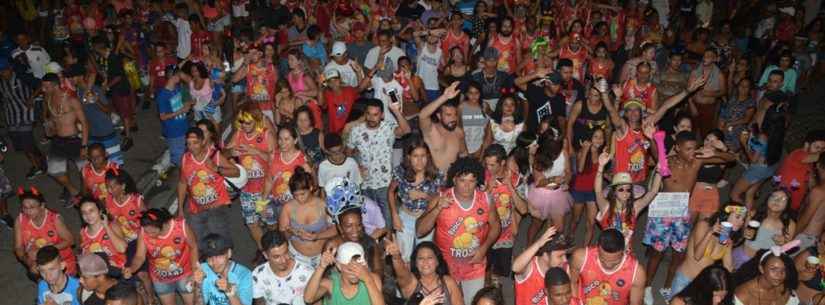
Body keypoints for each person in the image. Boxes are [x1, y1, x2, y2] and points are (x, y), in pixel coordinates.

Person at [643, 131, 735, 302]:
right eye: (688, 149)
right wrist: (654, 138)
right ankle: (647, 287)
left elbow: (730, 158)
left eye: (694, 148)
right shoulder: (667, 161)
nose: (692, 152)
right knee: (657, 253)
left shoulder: (697, 160)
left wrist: (716, 151)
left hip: (683, 212)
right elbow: (657, 153)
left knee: (678, 253)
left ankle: (668, 287)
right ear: (677, 148)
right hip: (664, 211)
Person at [416, 156, 501, 304]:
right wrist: (437, 209)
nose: (467, 186)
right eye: (462, 180)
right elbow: (420, 230)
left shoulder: (486, 199)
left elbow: (496, 226)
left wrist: (484, 248)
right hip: (446, 268)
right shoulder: (440, 198)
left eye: (472, 181)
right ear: (454, 179)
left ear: (478, 181)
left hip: (475, 266)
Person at [345, 98, 411, 223]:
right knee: (369, 222)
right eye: (368, 114)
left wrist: (396, 111)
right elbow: (348, 153)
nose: (371, 118)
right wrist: (356, 166)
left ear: (382, 115)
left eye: (375, 114)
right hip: (364, 184)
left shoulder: (388, 128)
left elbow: (406, 130)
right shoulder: (356, 131)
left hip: (385, 184)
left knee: (387, 221)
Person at [176, 127, 239, 247]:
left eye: (195, 143)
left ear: (203, 142)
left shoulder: (214, 156)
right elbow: (182, 183)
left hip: (216, 207)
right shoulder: (185, 159)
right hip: (196, 208)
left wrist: (216, 169)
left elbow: (236, 172)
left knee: (219, 239)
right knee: (197, 240)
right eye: (189, 143)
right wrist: (180, 209)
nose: (192, 147)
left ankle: (225, 256)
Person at [124, 208, 200, 305]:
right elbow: (140, 256)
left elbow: (193, 247)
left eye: (153, 232)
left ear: (163, 224)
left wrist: (194, 271)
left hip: (184, 274)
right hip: (160, 278)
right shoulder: (144, 231)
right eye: (147, 232)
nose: (149, 235)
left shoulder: (180, 227)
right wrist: (131, 268)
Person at [227, 103, 276, 250]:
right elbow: (221, 155)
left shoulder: (266, 135)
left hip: (265, 192)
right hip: (247, 192)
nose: (245, 125)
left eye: (248, 122)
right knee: (252, 224)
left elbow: (275, 161)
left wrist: (255, 151)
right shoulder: (238, 135)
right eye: (241, 122)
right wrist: (230, 153)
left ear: (256, 120)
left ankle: (275, 248)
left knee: (271, 224)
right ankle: (265, 252)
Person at [668, 205, 747, 297]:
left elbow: (728, 268)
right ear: (726, 215)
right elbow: (697, 256)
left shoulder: (727, 238)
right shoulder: (704, 225)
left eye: (743, 219)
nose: (741, 222)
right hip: (684, 279)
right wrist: (710, 233)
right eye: (738, 217)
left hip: (702, 285)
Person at [388, 136, 443, 261]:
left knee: (424, 257)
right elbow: (390, 192)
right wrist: (394, 215)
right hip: (405, 217)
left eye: (423, 156)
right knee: (403, 257)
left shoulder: (436, 175)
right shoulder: (401, 172)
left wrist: (423, 195)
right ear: (408, 157)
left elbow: (439, 200)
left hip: (425, 219)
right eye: (415, 156)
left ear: (428, 156)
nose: (419, 161)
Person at [594, 152, 663, 247]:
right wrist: (600, 167)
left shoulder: (635, 208)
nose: (625, 193)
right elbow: (598, 191)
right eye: (621, 189)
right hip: (606, 253)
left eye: (628, 189)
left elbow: (653, 192)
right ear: (614, 192)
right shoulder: (606, 207)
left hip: (625, 254)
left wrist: (659, 172)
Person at [483, 143, 528, 284]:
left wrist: (509, 186)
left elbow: (523, 209)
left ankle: (495, 283)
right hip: (486, 234)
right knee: (485, 266)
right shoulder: (481, 178)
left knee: (501, 269)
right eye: (487, 164)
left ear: (502, 163)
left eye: (492, 165)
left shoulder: (516, 179)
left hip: (506, 237)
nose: (488, 169)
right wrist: (487, 190)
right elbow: (475, 209)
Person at [42, 72, 89, 205]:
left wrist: (84, 146)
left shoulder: (70, 100)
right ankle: (74, 191)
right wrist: (49, 127)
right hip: (57, 140)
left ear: (54, 85)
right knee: (53, 171)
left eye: (45, 86)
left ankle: (86, 196)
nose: (43, 89)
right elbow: (51, 118)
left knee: (85, 172)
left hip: (74, 139)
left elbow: (85, 122)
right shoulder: (48, 98)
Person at [569, 229, 646, 305]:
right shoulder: (580, 258)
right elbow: (572, 282)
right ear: (597, 247)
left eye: (614, 263)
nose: (608, 266)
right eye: (603, 261)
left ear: (624, 251)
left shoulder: (637, 273)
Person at [279, 167, 336, 268]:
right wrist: (292, 231)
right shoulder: (288, 207)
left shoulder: (323, 205)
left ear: (310, 188)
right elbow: (283, 234)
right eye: (295, 195)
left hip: (321, 256)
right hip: (296, 256)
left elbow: (336, 230)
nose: (299, 198)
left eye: (302, 194)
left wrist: (316, 236)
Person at [0, 57, 46, 179]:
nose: (2, 73)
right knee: (23, 146)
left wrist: (32, 97)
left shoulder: (21, 77)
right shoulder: (1, 82)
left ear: (10, 68)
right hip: (11, 118)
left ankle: (38, 166)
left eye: (4, 70)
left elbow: (41, 84)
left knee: (27, 145)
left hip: (25, 116)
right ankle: (41, 161)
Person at [14, 187, 77, 276]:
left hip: (62, 261)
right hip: (39, 263)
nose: (28, 211)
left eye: (32, 207)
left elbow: (70, 241)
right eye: (24, 207)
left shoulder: (54, 219)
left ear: (42, 206)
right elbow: (18, 247)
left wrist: (42, 251)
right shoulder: (20, 220)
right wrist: (28, 261)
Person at [303, 242, 385, 305]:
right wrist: (321, 267)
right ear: (339, 266)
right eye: (349, 269)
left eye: (359, 268)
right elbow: (308, 299)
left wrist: (368, 280)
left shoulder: (372, 279)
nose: (355, 273)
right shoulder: (331, 284)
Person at [384, 240, 464, 305]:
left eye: (430, 258)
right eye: (421, 258)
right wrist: (396, 256)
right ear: (415, 263)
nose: (425, 262)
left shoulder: (448, 282)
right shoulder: (411, 283)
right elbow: (401, 274)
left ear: (437, 261)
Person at [733, 189, 797, 269]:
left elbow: (787, 250)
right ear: (767, 199)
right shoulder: (753, 214)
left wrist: (783, 243)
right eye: (774, 196)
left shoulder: (790, 224)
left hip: (763, 265)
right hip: (741, 257)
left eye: (783, 199)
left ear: (787, 204)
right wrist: (744, 232)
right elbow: (742, 234)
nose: (777, 200)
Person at [252, 229, 314, 305]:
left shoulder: (307, 272)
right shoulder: (257, 275)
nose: (284, 260)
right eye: (276, 257)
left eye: (285, 253)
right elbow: (259, 303)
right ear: (265, 255)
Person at [513, 226, 570, 305]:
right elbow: (515, 268)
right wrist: (538, 244)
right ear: (545, 255)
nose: (565, 260)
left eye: (565, 255)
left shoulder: (563, 268)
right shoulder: (530, 267)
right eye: (560, 256)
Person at [192, 233, 253, 305]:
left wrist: (230, 291)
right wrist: (197, 285)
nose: (214, 262)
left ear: (229, 253)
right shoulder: (204, 270)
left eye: (218, 255)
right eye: (209, 257)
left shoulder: (244, 275)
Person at [570, 128, 607, 246]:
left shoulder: (603, 152)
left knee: (591, 222)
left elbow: (599, 171)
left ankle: (585, 249)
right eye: (596, 136)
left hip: (593, 191)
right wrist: (585, 149)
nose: (599, 139)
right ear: (590, 138)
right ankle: (569, 235)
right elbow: (580, 169)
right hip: (579, 190)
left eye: (601, 137)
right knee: (575, 219)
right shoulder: (583, 151)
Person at [420, 82, 466, 172]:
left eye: (455, 114)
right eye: (448, 115)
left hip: (451, 181)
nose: (453, 118)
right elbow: (422, 116)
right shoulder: (431, 130)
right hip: (432, 180)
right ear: (439, 116)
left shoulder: (458, 132)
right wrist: (444, 97)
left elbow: (463, 154)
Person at [774, 130, 825, 212]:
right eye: (817, 147)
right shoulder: (798, 154)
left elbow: (810, 182)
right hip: (781, 202)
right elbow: (817, 157)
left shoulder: (810, 162)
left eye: (823, 149)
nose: (819, 151)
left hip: (793, 205)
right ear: (806, 145)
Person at [732, 248, 800, 305]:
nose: (779, 275)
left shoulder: (785, 289)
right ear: (761, 269)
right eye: (773, 269)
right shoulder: (743, 295)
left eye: (783, 270)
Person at [156, 65, 192, 167]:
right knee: (180, 161)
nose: (181, 77)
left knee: (186, 156)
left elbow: (185, 100)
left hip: (184, 127)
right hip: (174, 133)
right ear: (173, 76)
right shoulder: (162, 95)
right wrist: (181, 111)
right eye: (179, 74)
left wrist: (188, 103)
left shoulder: (178, 88)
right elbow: (162, 117)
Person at [78, 198, 127, 269]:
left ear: (100, 211)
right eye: (84, 212)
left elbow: (122, 249)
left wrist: (106, 227)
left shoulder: (112, 226)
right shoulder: (82, 233)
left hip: (119, 269)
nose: (88, 215)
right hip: (99, 272)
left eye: (91, 210)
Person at [796, 154, 825, 251]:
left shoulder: (818, 191)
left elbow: (805, 219)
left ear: (819, 165)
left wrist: (791, 236)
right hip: (815, 238)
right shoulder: (819, 189)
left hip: (804, 238)